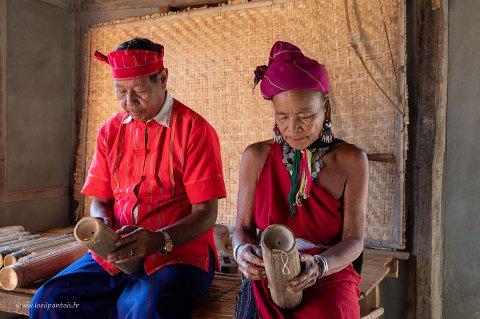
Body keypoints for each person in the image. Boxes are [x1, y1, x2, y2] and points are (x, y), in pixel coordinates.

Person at [30, 37, 227, 319]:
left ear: (162, 78)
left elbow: (206, 214)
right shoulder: (109, 132)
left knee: (142, 308)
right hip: (115, 253)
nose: (129, 102)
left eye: (139, 91)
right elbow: (100, 200)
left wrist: (159, 240)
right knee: (49, 303)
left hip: (178, 254)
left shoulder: (195, 130)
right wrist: (103, 227)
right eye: (120, 91)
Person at [233, 41, 368, 319]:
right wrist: (242, 252)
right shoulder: (256, 157)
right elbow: (242, 228)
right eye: (282, 117)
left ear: (326, 111)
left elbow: (354, 240)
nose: (292, 127)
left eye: (305, 116)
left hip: (327, 273)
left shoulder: (351, 161)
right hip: (268, 272)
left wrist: (320, 265)